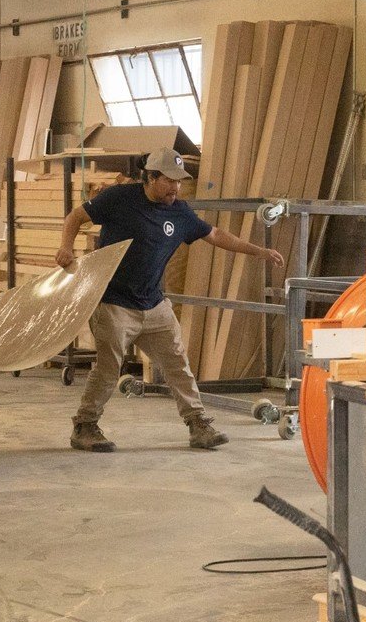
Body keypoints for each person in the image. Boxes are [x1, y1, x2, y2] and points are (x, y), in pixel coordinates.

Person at [55, 147, 284, 452]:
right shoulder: (118, 198)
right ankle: (85, 426)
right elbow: (76, 217)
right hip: (113, 303)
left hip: (154, 305)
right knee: (109, 368)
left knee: (177, 363)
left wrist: (259, 251)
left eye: (180, 181)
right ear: (150, 177)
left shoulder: (180, 212)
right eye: (170, 180)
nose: (176, 187)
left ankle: (198, 424)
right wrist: (66, 247)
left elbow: (215, 235)